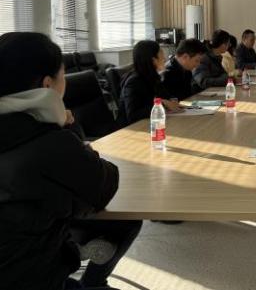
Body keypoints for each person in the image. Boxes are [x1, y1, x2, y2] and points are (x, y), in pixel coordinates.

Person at [0, 32, 142, 290]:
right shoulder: (49, 142)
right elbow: (105, 184)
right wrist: (65, 126)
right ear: (47, 86)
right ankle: (92, 280)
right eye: (63, 75)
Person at [119, 40, 182, 125]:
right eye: (162, 55)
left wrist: (172, 100)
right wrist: (162, 103)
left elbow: (166, 97)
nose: (165, 59)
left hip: (151, 123)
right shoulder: (133, 82)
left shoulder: (153, 77)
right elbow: (133, 115)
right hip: (132, 128)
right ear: (153, 60)